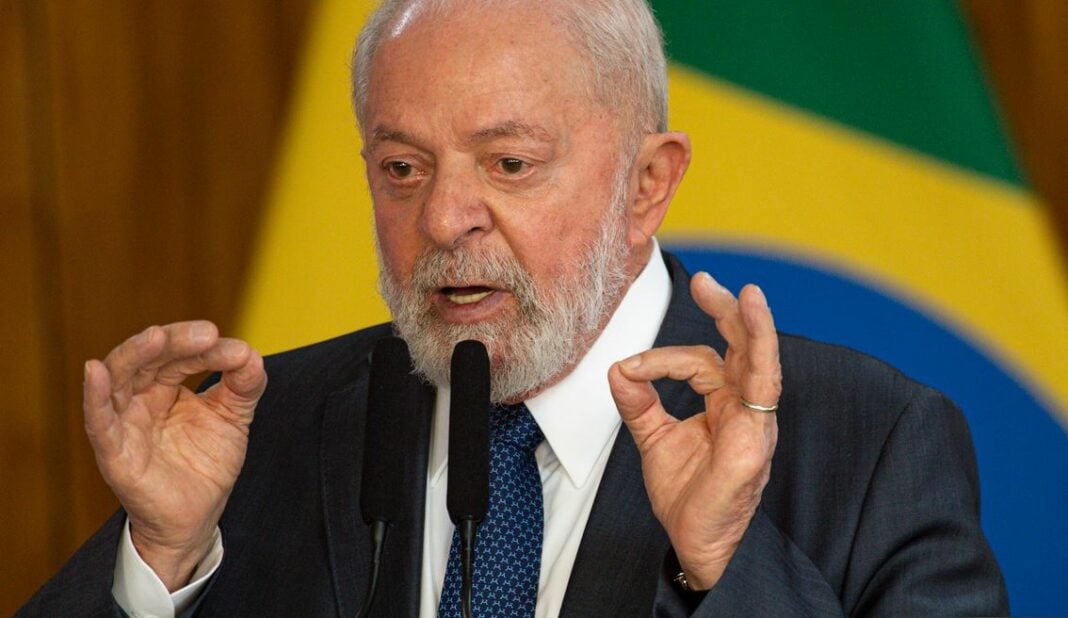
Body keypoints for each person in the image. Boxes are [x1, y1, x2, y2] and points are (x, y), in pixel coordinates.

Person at [21, 0, 1007, 616]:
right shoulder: (260, 434)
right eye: (401, 169)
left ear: (647, 185)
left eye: (509, 164)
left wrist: (725, 567)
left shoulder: (868, 442)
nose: (443, 217)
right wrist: (159, 562)